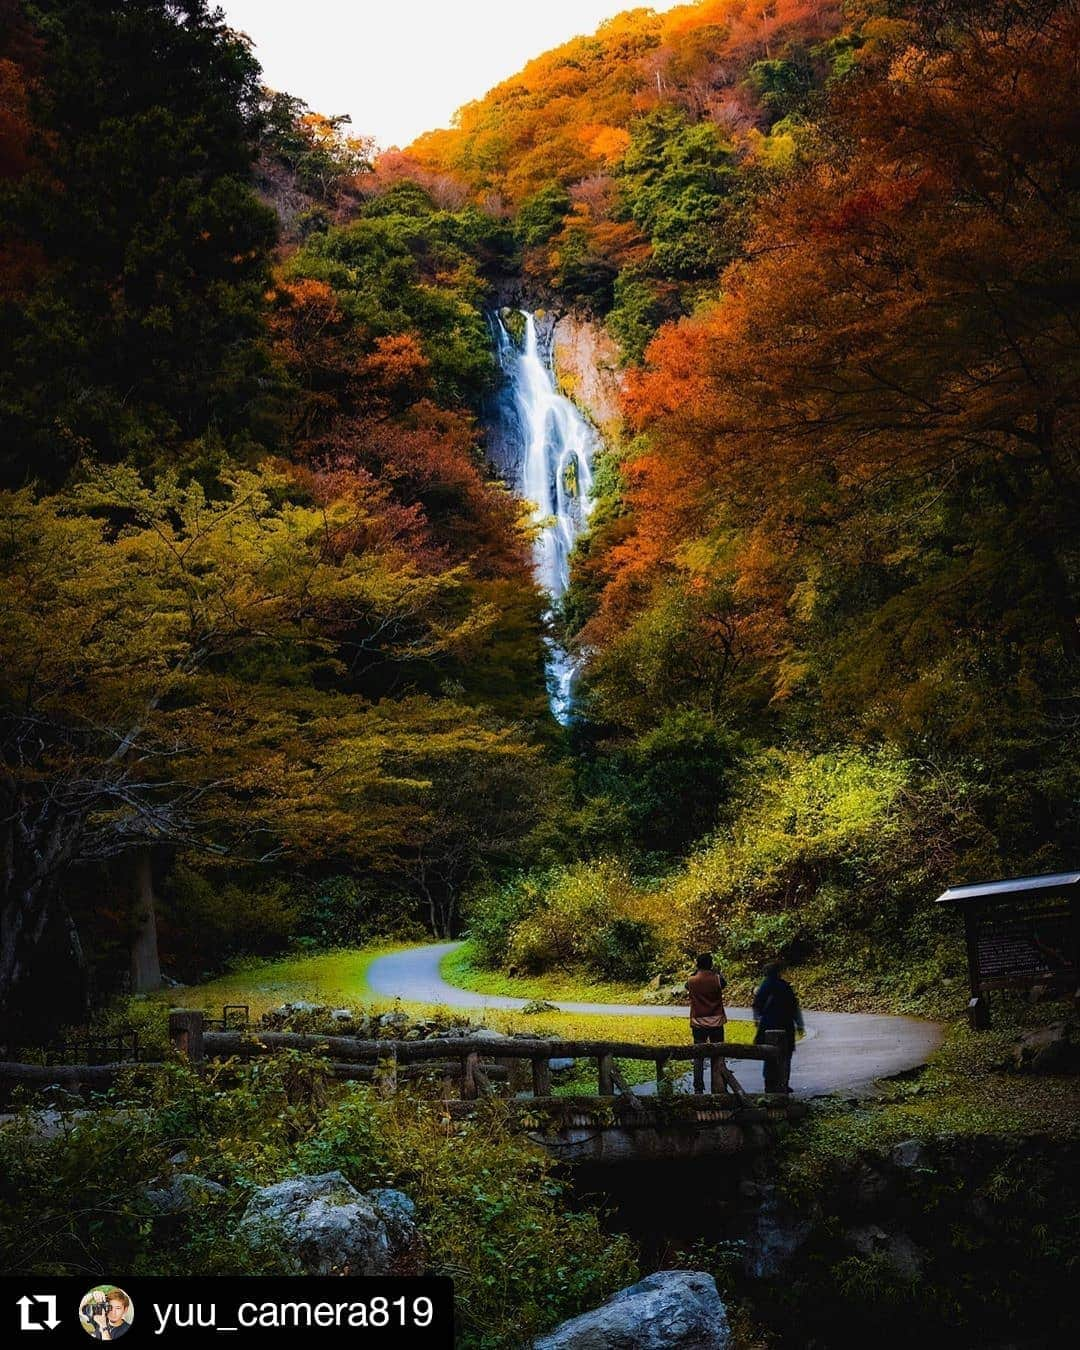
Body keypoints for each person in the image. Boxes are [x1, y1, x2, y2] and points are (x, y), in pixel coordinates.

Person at [752, 960, 804, 1093]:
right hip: (786, 1024)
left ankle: (769, 1083)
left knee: (769, 1056)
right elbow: (794, 1007)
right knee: (785, 1056)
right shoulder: (785, 986)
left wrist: (757, 1020)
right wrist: (800, 1024)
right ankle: (783, 1083)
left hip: (768, 1024)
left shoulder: (764, 986)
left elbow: (757, 1005)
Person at [686, 952, 727, 1092]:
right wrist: (715, 972)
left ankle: (698, 1086)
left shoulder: (692, 981)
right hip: (716, 1020)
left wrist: (696, 971)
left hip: (698, 1021)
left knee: (698, 1056)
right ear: (711, 964)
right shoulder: (717, 979)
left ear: (697, 964)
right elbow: (724, 983)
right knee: (718, 1054)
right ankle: (718, 1085)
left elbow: (687, 986)